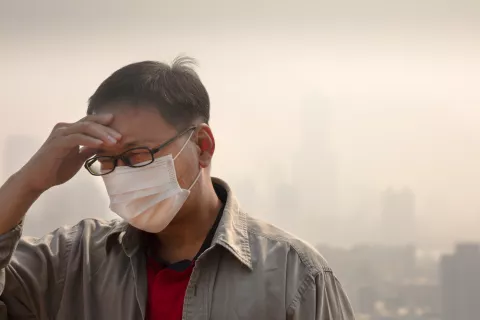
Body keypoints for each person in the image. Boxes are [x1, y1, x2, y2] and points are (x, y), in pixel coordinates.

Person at [0, 57, 355, 320]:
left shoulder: (294, 275)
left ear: (202, 145)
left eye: (138, 155)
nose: (121, 174)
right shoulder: (71, 262)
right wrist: (27, 182)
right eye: (106, 162)